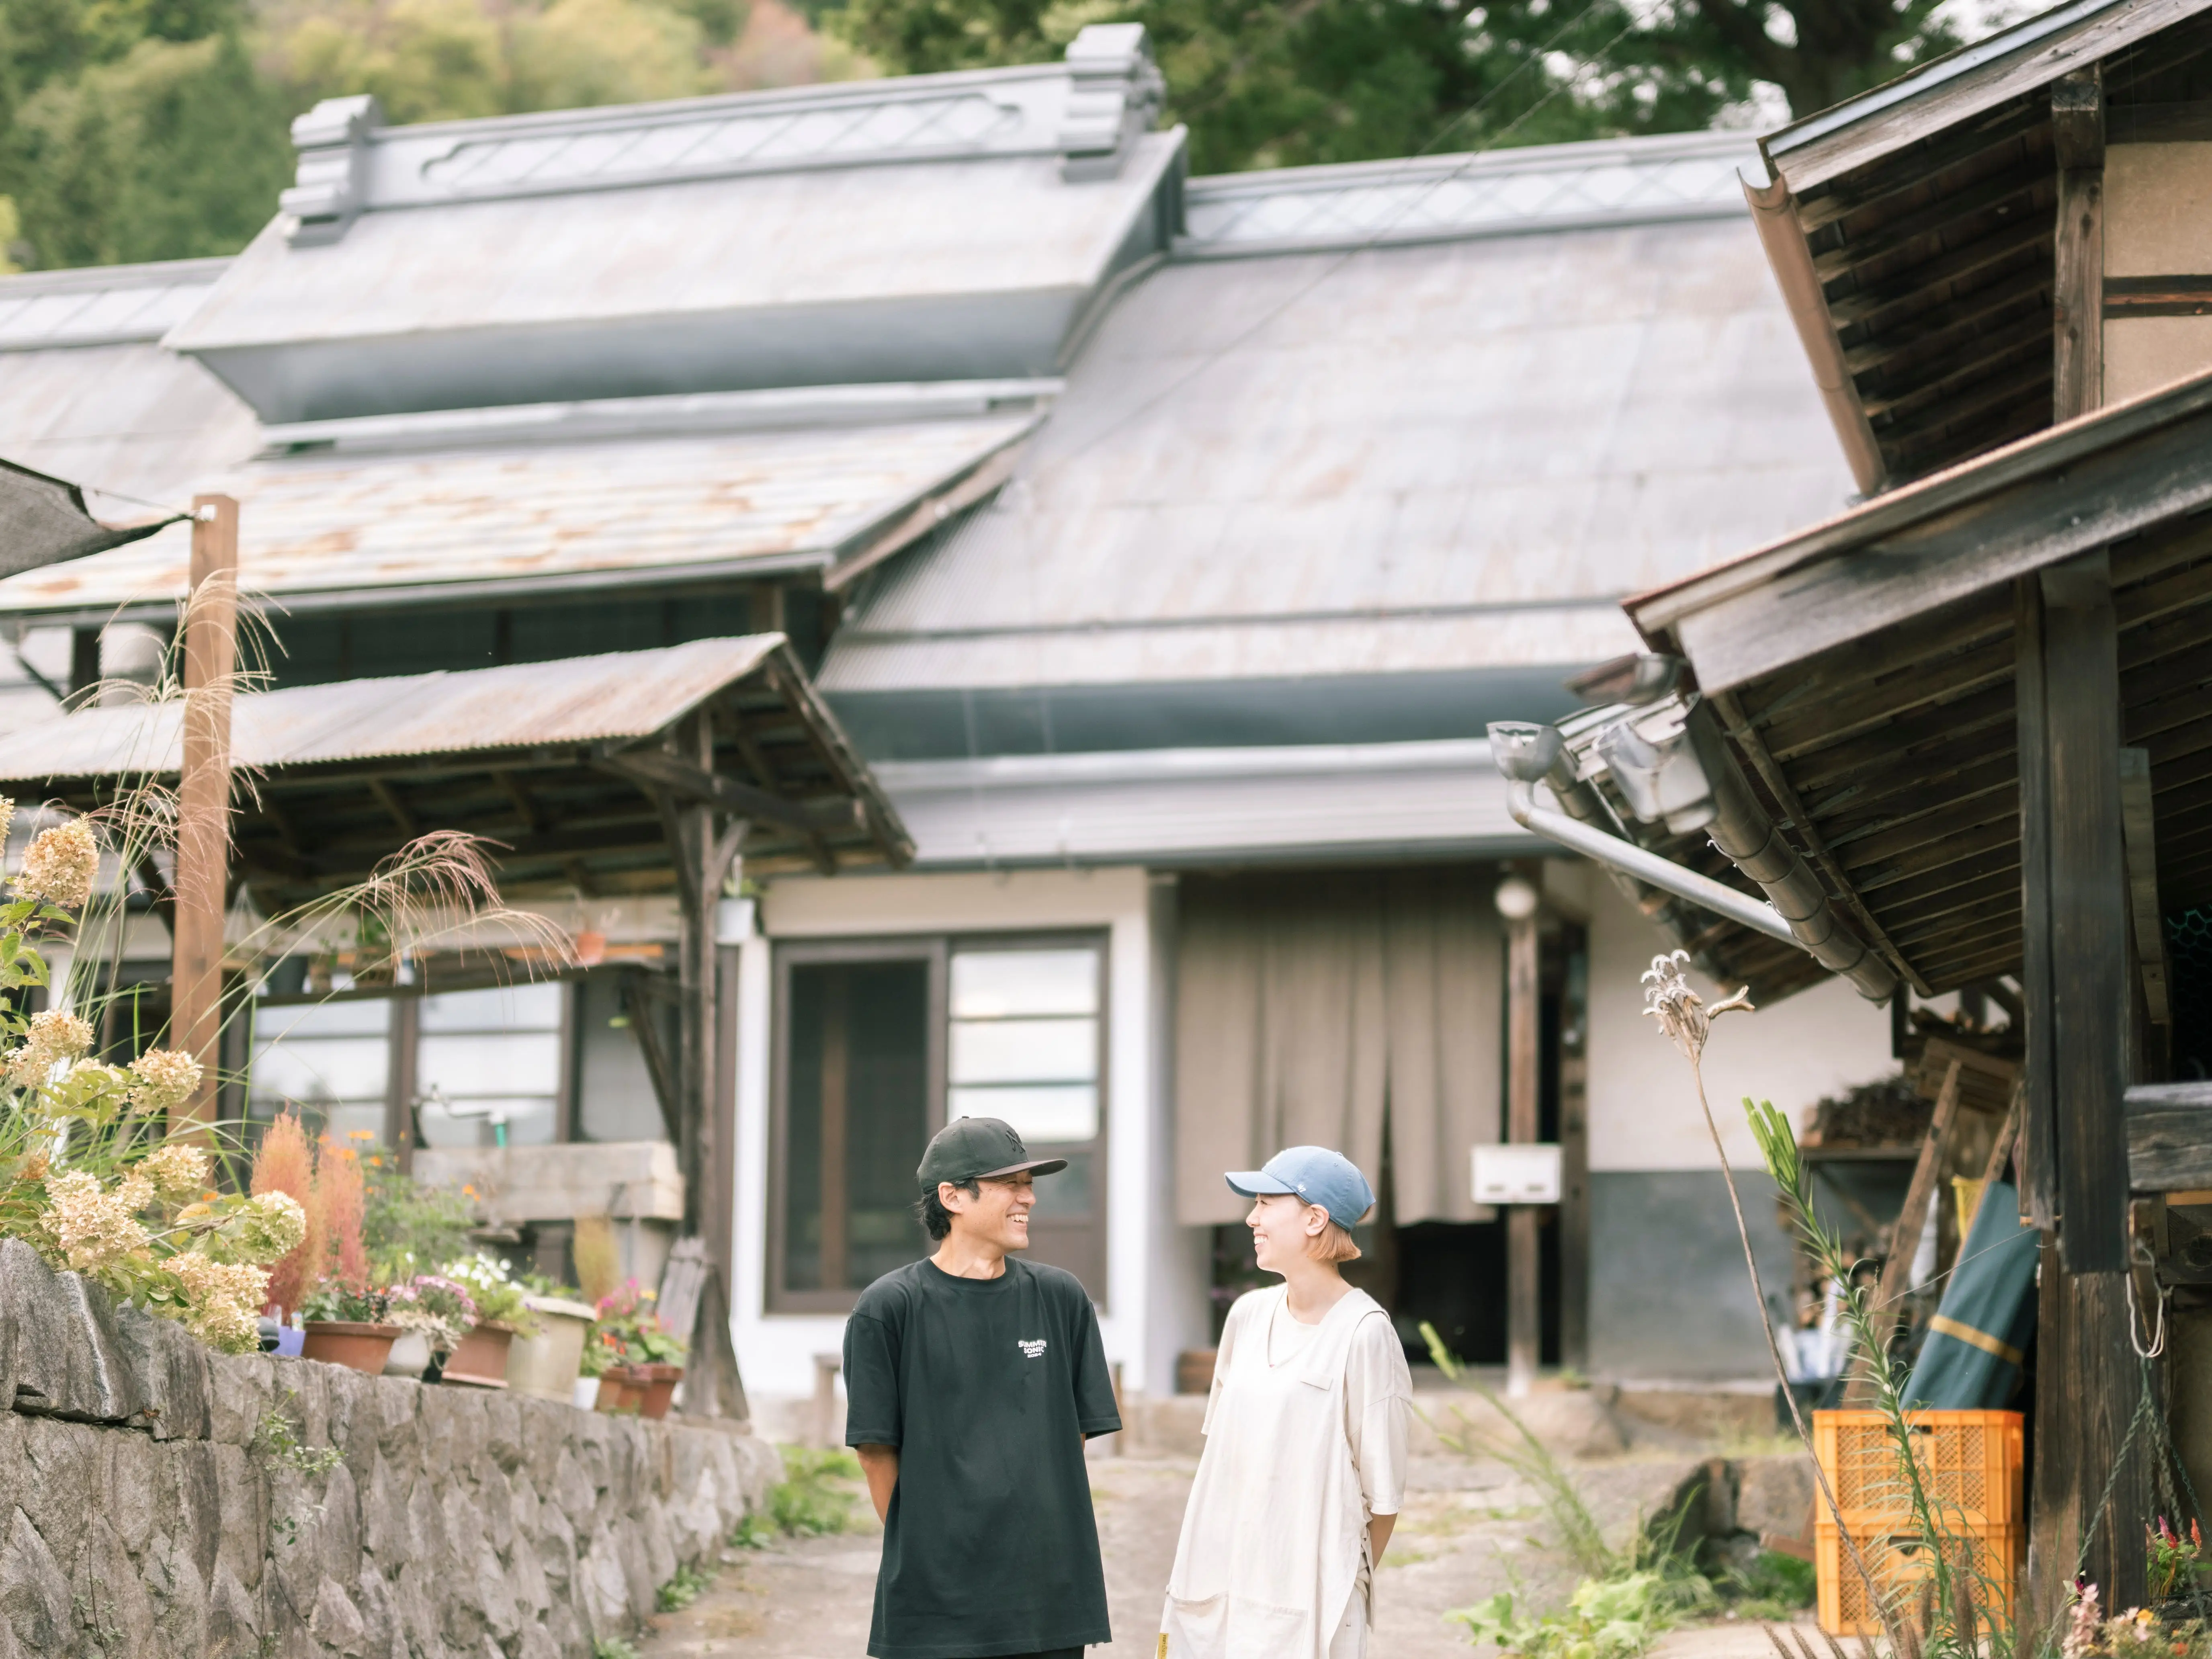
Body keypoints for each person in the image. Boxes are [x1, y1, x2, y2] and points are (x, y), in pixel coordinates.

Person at [844, 1115, 1122, 1659]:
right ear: (953, 1196)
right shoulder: (888, 1308)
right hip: (936, 1604)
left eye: (1030, 1185)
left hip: (1051, 1598)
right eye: (1010, 1185)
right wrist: (934, 1554)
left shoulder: (1061, 1298)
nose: (1029, 1199)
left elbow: (1069, 1439)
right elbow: (877, 1453)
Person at [1158, 1146, 1412, 1659]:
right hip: (1220, 1580)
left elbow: (1382, 1500)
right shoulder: (1246, 1317)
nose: (1251, 1218)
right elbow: (1224, 1462)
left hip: (1309, 1599)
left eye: (1265, 1203)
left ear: (1315, 1219)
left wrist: (1336, 1590)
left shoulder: (1364, 1334)